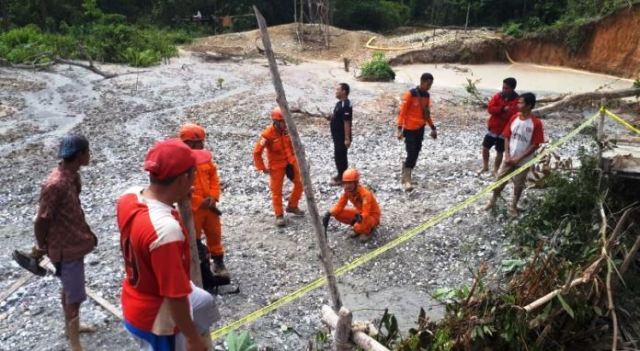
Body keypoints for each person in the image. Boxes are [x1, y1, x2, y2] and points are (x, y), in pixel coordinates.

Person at [116, 139, 218, 351]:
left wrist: (179, 196)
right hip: (156, 317)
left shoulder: (128, 197)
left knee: (204, 301)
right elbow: (175, 297)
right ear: (183, 179)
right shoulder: (166, 232)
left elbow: (156, 213)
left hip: (135, 293)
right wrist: (192, 339)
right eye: (193, 173)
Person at [32, 134, 97, 351]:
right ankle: (75, 344)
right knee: (75, 296)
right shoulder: (55, 184)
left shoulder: (72, 176)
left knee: (68, 289)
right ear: (80, 155)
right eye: (87, 152)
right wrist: (42, 246)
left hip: (73, 242)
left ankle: (71, 329)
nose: (89, 155)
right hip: (65, 248)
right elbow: (41, 219)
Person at [178, 123, 227, 279]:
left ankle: (218, 262)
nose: (202, 145)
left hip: (210, 207)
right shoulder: (180, 163)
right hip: (193, 210)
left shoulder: (205, 159)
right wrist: (199, 201)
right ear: (190, 143)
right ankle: (198, 269)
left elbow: (213, 176)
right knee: (194, 238)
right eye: (200, 142)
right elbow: (179, 187)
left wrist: (213, 196)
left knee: (215, 234)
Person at [485, 93, 544, 216]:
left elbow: (535, 144)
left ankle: (513, 206)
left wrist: (519, 158)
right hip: (509, 158)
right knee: (500, 180)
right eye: (518, 102)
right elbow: (507, 136)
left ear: (529, 106)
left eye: (521, 103)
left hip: (523, 161)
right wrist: (507, 155)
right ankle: (492, 201)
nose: (518, 105)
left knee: (518, 185)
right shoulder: (514, 118)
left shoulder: (536, 123)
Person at [253, 107, 304, 227]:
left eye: (285, 121)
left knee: (301, 182)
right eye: (282, 122)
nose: (284, 124)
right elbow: (257, 152)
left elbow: (294, 144)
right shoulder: (267, 134)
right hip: (276, 166)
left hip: (290, 161)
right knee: (276, 191)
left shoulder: (288, 130)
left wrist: (299, 158)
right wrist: (262, 167)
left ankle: (292, 205)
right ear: (275, 121)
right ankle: (279, 215)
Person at [396, 73, 437, 191]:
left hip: (420, 128)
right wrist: (399, 129)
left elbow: (426, 114)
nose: (429, 86)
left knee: (416, 152)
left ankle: (407, 168)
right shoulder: (410, 94)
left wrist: (433, 128)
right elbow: (402, 112)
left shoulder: (427, 96)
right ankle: (407, 179)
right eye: (428, 84)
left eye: (431, 84)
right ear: (422, 81)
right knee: (412, 152)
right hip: (409, 129)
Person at [322, 168, 381, 242]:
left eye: (350, 183)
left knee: (359, 226)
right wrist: (329, 212)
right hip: (360, 213)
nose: (347, 186)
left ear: (356, 182)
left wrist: (360, 219)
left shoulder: (365, 194)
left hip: (372, 216)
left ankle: (369, 231)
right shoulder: (347, 192)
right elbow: (340, 205)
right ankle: (359, 227)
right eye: (345, 183)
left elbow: (366, 212)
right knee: (337, 213)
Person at [479, 77, 519, 176]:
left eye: (506, 88)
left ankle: (495, 170)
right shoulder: (498, 96)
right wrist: (502, 109)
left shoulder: (517, 100)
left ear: (512, 88)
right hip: (493, 128)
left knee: (500, 151)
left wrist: (498, 111)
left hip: (505, 130)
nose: (503, 90)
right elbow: (490, 109)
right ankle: (485, 166)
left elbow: (512, 114)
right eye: (503, 87)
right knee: (485, 147)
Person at [325, 83, 352, 186]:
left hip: (342, 136)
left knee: (341, 156)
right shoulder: (339, 104)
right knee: (337, 155)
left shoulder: (346, 105)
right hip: (336, 136)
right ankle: (341, 174)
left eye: (338, 90)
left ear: (344, 91)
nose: (336, 92)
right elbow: (337, 117)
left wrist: (347, 138)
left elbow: (346, 122)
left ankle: (343, 177)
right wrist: (330, 117)